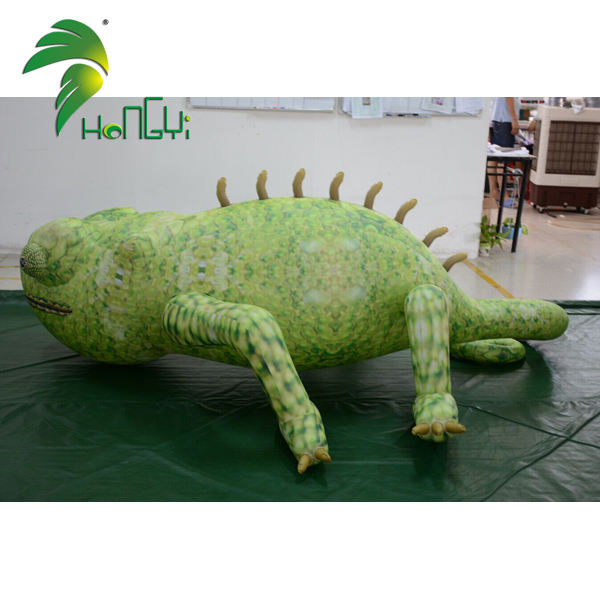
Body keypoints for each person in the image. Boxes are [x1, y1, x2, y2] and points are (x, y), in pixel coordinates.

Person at [488, 98, 536, 201]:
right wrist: (514, 119)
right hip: (505, 121)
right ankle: (504, 196)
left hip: (498, 120)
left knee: (495, 158)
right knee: (502, 160)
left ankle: (494, 192)